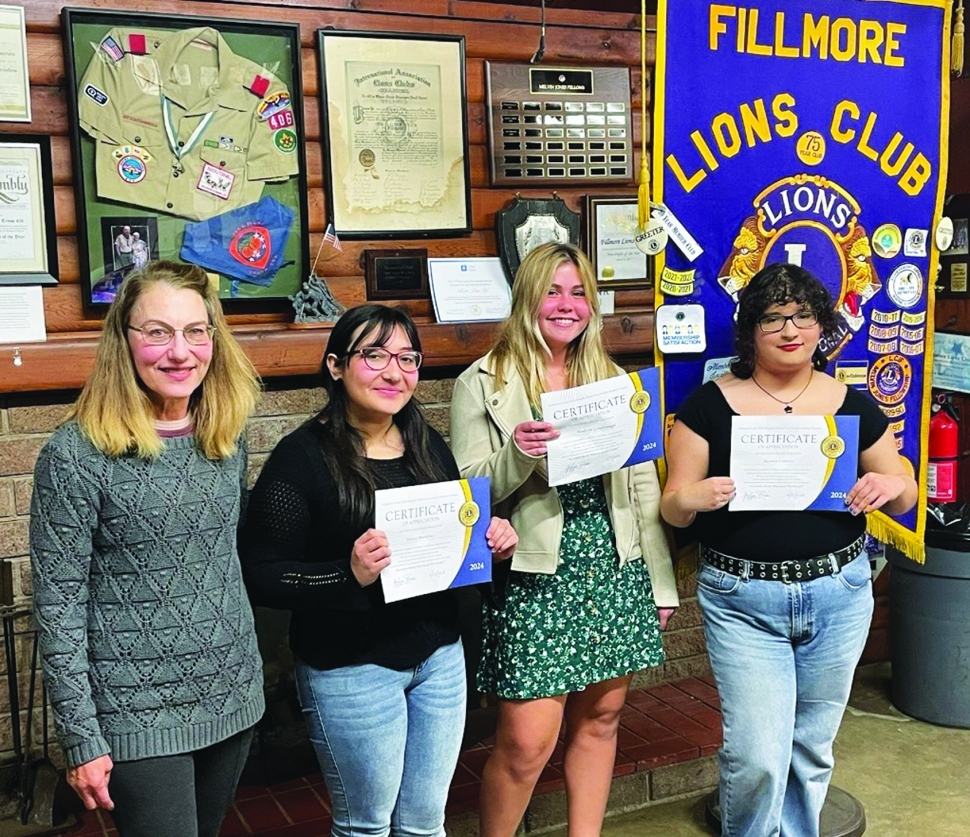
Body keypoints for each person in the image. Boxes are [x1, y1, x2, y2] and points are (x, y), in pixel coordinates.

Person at [239, 304, 518, 837]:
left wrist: (490, 544)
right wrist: (347, 574)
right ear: (336, 366)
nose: (395, 372)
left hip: (438, 656)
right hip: (350, 667)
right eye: (374, 355)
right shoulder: (300, 458)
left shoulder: (426, 443)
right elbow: (262, 573)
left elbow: (455, 547)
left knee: (424, 823)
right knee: (366, 826)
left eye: (407, 358)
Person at [660, 263, 917, 837]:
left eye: (802, 315)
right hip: (742, 598)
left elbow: (906, 495)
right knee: (756, 756)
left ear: (820, 325)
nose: (789, 329)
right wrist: (693, 497)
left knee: (811, 749)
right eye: (773, 317)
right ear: (750, 330)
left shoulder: (850, 401)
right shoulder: (708, 406)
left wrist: (891, 484)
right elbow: (671, 507)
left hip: (840, 593)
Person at [449, 242, 679, 837]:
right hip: (535, 572)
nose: (566, 304)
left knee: (601, 718)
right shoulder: (482, 381)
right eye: (552, 290)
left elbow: (642, 490)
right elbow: (467, 491)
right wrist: (518, 453)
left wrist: (660, 582)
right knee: (526, 742)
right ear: (527, 297)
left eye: (579, 293)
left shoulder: (615, 380)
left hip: (613, 563)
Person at [29, 261, 264, 837]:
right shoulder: (75, 455)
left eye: (195, 330)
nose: (180, 351)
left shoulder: (225, 436)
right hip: (136, 714)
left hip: (232, 695)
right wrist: (82, 735)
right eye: (157, 332)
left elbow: (227, 559)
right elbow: (57, 607)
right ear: (123, 341)